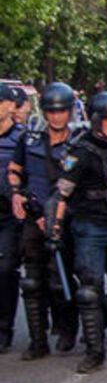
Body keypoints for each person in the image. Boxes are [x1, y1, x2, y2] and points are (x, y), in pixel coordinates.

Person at [45, 92, 107, 373]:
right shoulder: (81, 151)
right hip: (90, 228)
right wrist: (55, 229)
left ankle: (97, 322)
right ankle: (94, 351)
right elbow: (61, 193)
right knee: (90, 290)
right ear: (98, 121)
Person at [9, 82, 80, 358]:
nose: (56, 116)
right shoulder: (29, 140)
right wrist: (16, 194)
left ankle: (67, 328)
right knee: (32, 281)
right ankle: (37, 340)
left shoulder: (77, 143)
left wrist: (55, 218)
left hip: (63, 219)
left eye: (61, 111)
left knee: (59, 279)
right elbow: (15, 171)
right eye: (51, 111)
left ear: (69, 112)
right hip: (32, 216)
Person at [0, 84, 28, 351]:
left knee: (6, 268)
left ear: (11, 105)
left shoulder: (22, 139)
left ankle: (4, 326)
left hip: (10, 213)